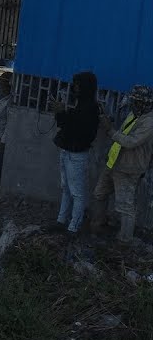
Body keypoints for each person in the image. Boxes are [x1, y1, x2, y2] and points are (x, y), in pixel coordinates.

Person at [91, 85, 153, 243]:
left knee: (125, 206)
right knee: (99, 193)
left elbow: (131, 142)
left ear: (144, 102)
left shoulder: (149, 121)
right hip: (114, 163)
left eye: (136, 101)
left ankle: (125, 241)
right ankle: (99, 225)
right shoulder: (135, 114)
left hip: (128, 169)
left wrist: (110, 130)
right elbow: (124, 134)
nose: (133, 103)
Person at [49, 71, 102, 236]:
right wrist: (60, 112)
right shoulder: (82, 104)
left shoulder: (91, 108)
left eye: (78, 84)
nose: (75, 87)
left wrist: (62, 113)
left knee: (77, 193)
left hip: (77, 154)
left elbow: (80, 131)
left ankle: (73, 227)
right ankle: (61, 221)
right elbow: (67, 126)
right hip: (68, 151)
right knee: (66, 189)